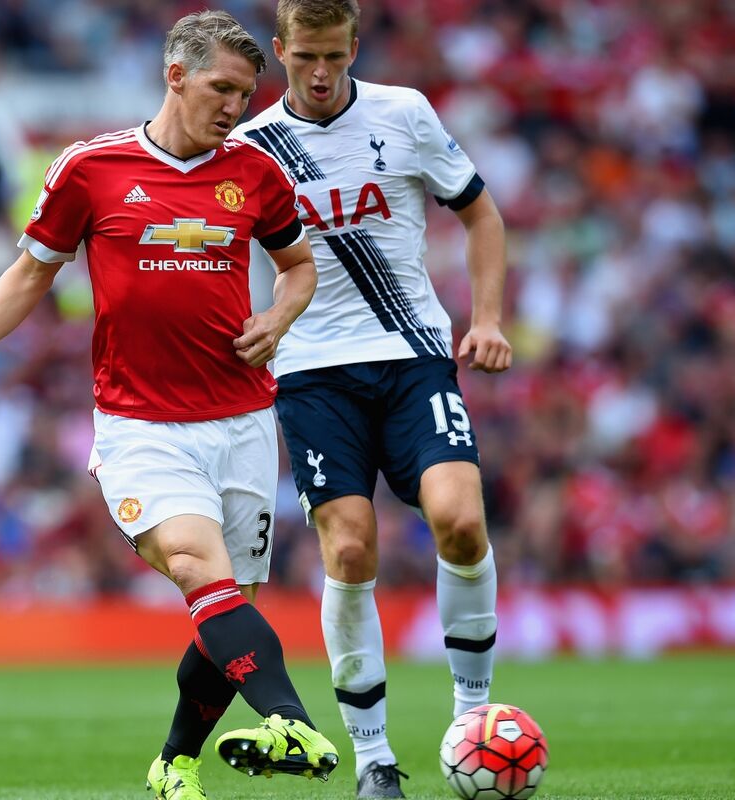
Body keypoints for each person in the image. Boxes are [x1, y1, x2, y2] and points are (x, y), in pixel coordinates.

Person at [0, 11, 339, 797]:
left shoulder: (257, 173)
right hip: (142, 426)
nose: (235, 107)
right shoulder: (90, 168)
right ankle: (292, 721)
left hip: (243, 422)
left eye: (245, 94)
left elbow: (299, 266)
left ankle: (175, 763)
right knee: (197, 567)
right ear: (176, 76)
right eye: (221, 88)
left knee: (226, 612)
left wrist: (279, 316)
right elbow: (32, 272)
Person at [234, 1, 512, 796]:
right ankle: (374, 758)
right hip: (312, 373)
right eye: (304, 58)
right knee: (350, 550)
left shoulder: (405, 113)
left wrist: (487, 319)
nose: (321, 74)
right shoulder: (250, 148)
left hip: (413, 356)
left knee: (461, 521)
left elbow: (482, 214)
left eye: (335, 55)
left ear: (355, 46)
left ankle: (472, 720)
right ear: (280, 50)